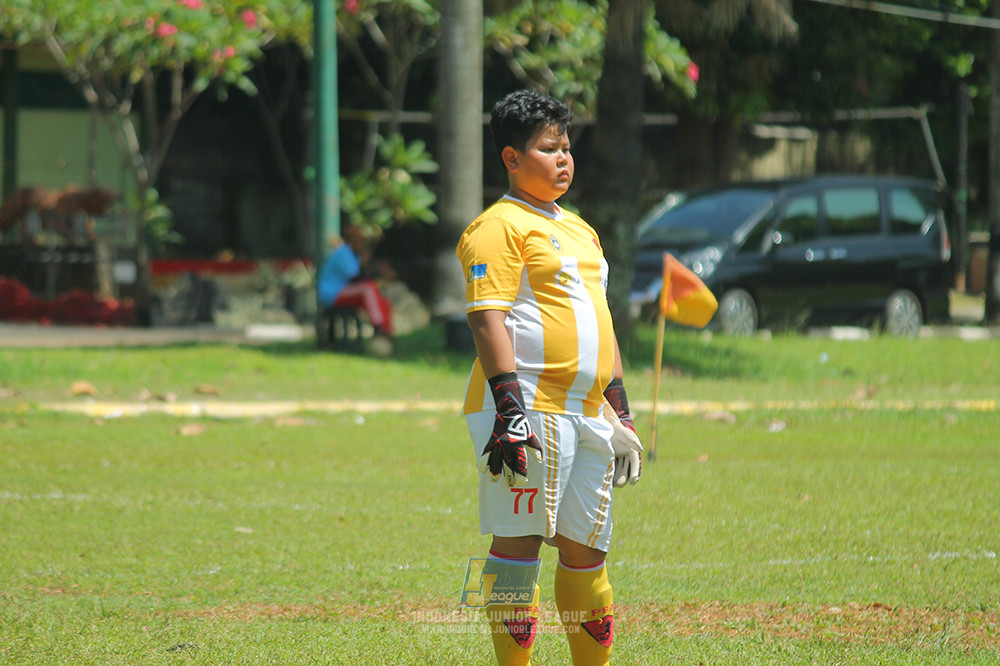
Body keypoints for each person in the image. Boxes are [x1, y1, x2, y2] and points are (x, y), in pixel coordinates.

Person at [456, 89, 642, 666]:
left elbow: (599, 319)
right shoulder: (497, 227)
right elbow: (488, 319)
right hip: (526, 408)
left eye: (566, 147)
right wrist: (509, 410)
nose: (563, 158)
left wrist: (619, 405)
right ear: (511, 158)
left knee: (587, 548)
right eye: (548, 148)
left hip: (586, 413)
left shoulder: (583, 231)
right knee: (516, 543)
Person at [317, 223, 394, 347]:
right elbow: (356, 279)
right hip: (332, 295)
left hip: (348, 292)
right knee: (368, 288)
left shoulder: (355, 254)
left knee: (384, 301)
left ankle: (387, 332)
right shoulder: (343, 253)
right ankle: (378, 327)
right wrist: (379, 275)